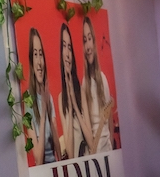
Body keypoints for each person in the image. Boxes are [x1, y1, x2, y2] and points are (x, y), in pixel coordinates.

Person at [25, 28, 60, 164]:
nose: (39, 62)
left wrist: (51, 119)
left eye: (41, 55)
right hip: (43, 173)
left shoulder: (48, 97)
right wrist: (44, 112)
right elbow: (38, 160)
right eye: (35, 55)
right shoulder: (28, 100)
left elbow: (58, 151)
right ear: (31, 61)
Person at [57, 22, 92, 158]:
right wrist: (70, 105)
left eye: (70, 47)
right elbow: (70, 154)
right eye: (64, 47)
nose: (67, 53)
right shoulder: (61, 99)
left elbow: (90, 141)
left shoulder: (81, 92)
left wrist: (76, 106)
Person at [80, 16, 115, 154]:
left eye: (90, 39)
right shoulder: (84, 84)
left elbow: (110, 118)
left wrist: (111, 143)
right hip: (94, 153)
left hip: (107, 149)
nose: (88, 46)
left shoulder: (103, 79)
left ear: (94, 42)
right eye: (84, 40)